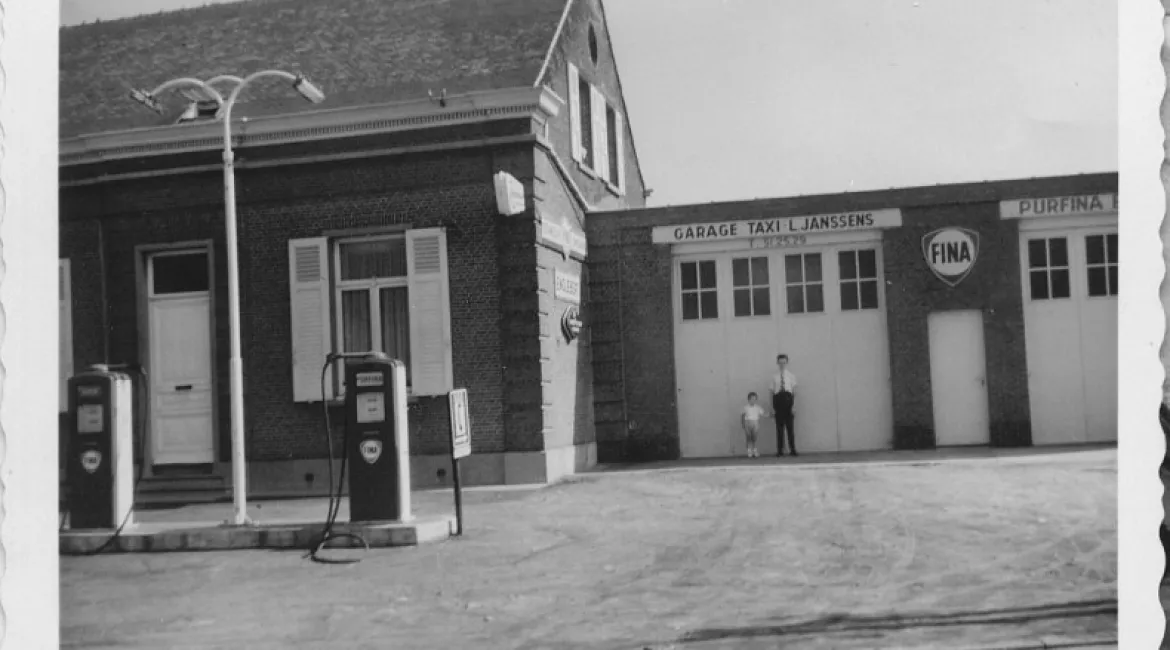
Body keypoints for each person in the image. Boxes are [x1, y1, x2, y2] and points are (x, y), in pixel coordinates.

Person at [770, 354, 798, 457]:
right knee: (779, 427)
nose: (782, 364)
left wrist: (794, 405)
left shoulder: (791, 376)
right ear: (777, 363)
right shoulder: (774, 377)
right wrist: (772, 407)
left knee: (790, 427)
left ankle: (793, 449)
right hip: (778, 400)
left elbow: (795, 392)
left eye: (784, 362)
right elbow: (772, 392)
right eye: (780, 362)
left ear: (787, 363)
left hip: (788, 399)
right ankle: (780, 450)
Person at [741, 392, 770, 458]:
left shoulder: (758, 407)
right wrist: (743, 424)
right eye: (751, 399)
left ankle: (755, 450)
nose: (753, 401)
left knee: (754, 438)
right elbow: (742, 416)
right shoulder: (745, 407)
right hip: (747, 422)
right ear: (748, 399)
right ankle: (749, 451)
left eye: (754, 399)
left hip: (755, 423)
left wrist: (769, 415)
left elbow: (763, 414)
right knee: (748, 437)